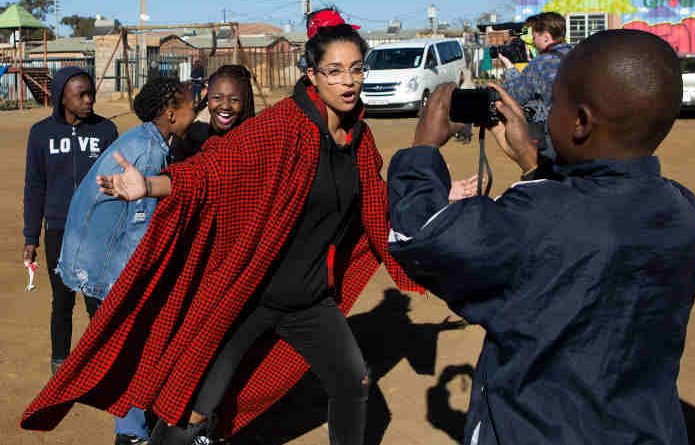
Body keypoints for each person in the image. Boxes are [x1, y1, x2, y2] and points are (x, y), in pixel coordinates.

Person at [21, 10, 424, 445]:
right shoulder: (281, 126)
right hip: (250, 293)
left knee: (353, 383)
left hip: (310, 302)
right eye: (335, 70)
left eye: (356, 69)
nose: (348, 81)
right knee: (194, 408)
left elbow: (375, 203)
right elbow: (212, 170)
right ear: (312, 75)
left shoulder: (358, 140)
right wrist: (152, 185)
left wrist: (436, 196)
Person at [386, 29, 695, 445]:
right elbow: (590, 222)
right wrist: (532, 164)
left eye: (555, 102)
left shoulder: (537, 220)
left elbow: (421, 234)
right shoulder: (681, 209)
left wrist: (423, 148)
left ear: (580, 122)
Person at [54, 77, 196, 445]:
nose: (196, 112)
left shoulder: (151, 140)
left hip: (97, 256)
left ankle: (135, 424)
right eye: (191, 106)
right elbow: (139, 230)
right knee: (134, 345)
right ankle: (130, 433)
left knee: (134, 344)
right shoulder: (147, 154)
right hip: (107, 264)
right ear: (170, 113)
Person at [22, 66, 118, 375]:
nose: (89, 100)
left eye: (90, 94)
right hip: (59, 230)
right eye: (81, 95)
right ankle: (60, 365)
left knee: (97, 300)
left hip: (97, 230)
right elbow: (35, 186)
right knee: (62, 302)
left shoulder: (105, 131)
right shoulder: (41, 134)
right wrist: (30, 237)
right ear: (63, 98)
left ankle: (102, 364)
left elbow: (117, 181)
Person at [498, 12, 572, 175]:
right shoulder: (579, 53)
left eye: (535, 36)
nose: (532, 40)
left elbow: (515, 97)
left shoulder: (542, 63)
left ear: (546, 37)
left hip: (557, 140)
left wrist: (510, 69)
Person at [171, 64, 256, 162]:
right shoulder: (195, 133)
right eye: (217, 98)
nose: (225, 106)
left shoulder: (250, 143)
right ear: (208, 98)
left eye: (234, 99)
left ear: (245, 102)